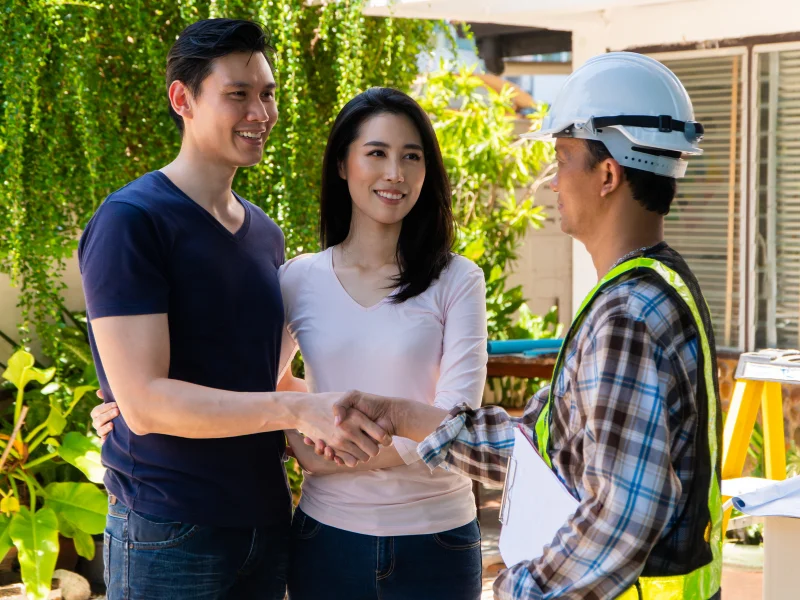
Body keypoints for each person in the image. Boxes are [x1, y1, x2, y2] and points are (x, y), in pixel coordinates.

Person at [323, 52, 724, 600]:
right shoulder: (656, 285)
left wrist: (518, 590)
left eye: (561, 159)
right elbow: (549, 450)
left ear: (607, 174)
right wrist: (403, 416)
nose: (550, 181)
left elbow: (622, 513)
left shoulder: (626, 316)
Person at [94, 87, 488, 600]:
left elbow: (456, 423)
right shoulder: (299, 278)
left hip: (438, 538)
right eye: (377, 153)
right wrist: (131, 404)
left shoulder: (458, 279)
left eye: (412, 157)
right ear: (343, 164)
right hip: (328, 537)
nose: (395, 173)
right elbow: (257, 381)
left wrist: (322, 449)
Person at [79, 19, 387, 600]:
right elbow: (144, 404)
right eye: (238, 94)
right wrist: (298, 412)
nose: (261, 112)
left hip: (266, 524)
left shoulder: (266, 235)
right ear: (182, 99)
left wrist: (340, 415)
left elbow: (262, 375)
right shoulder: (132, 222)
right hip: (169, 527)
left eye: (267, 93)